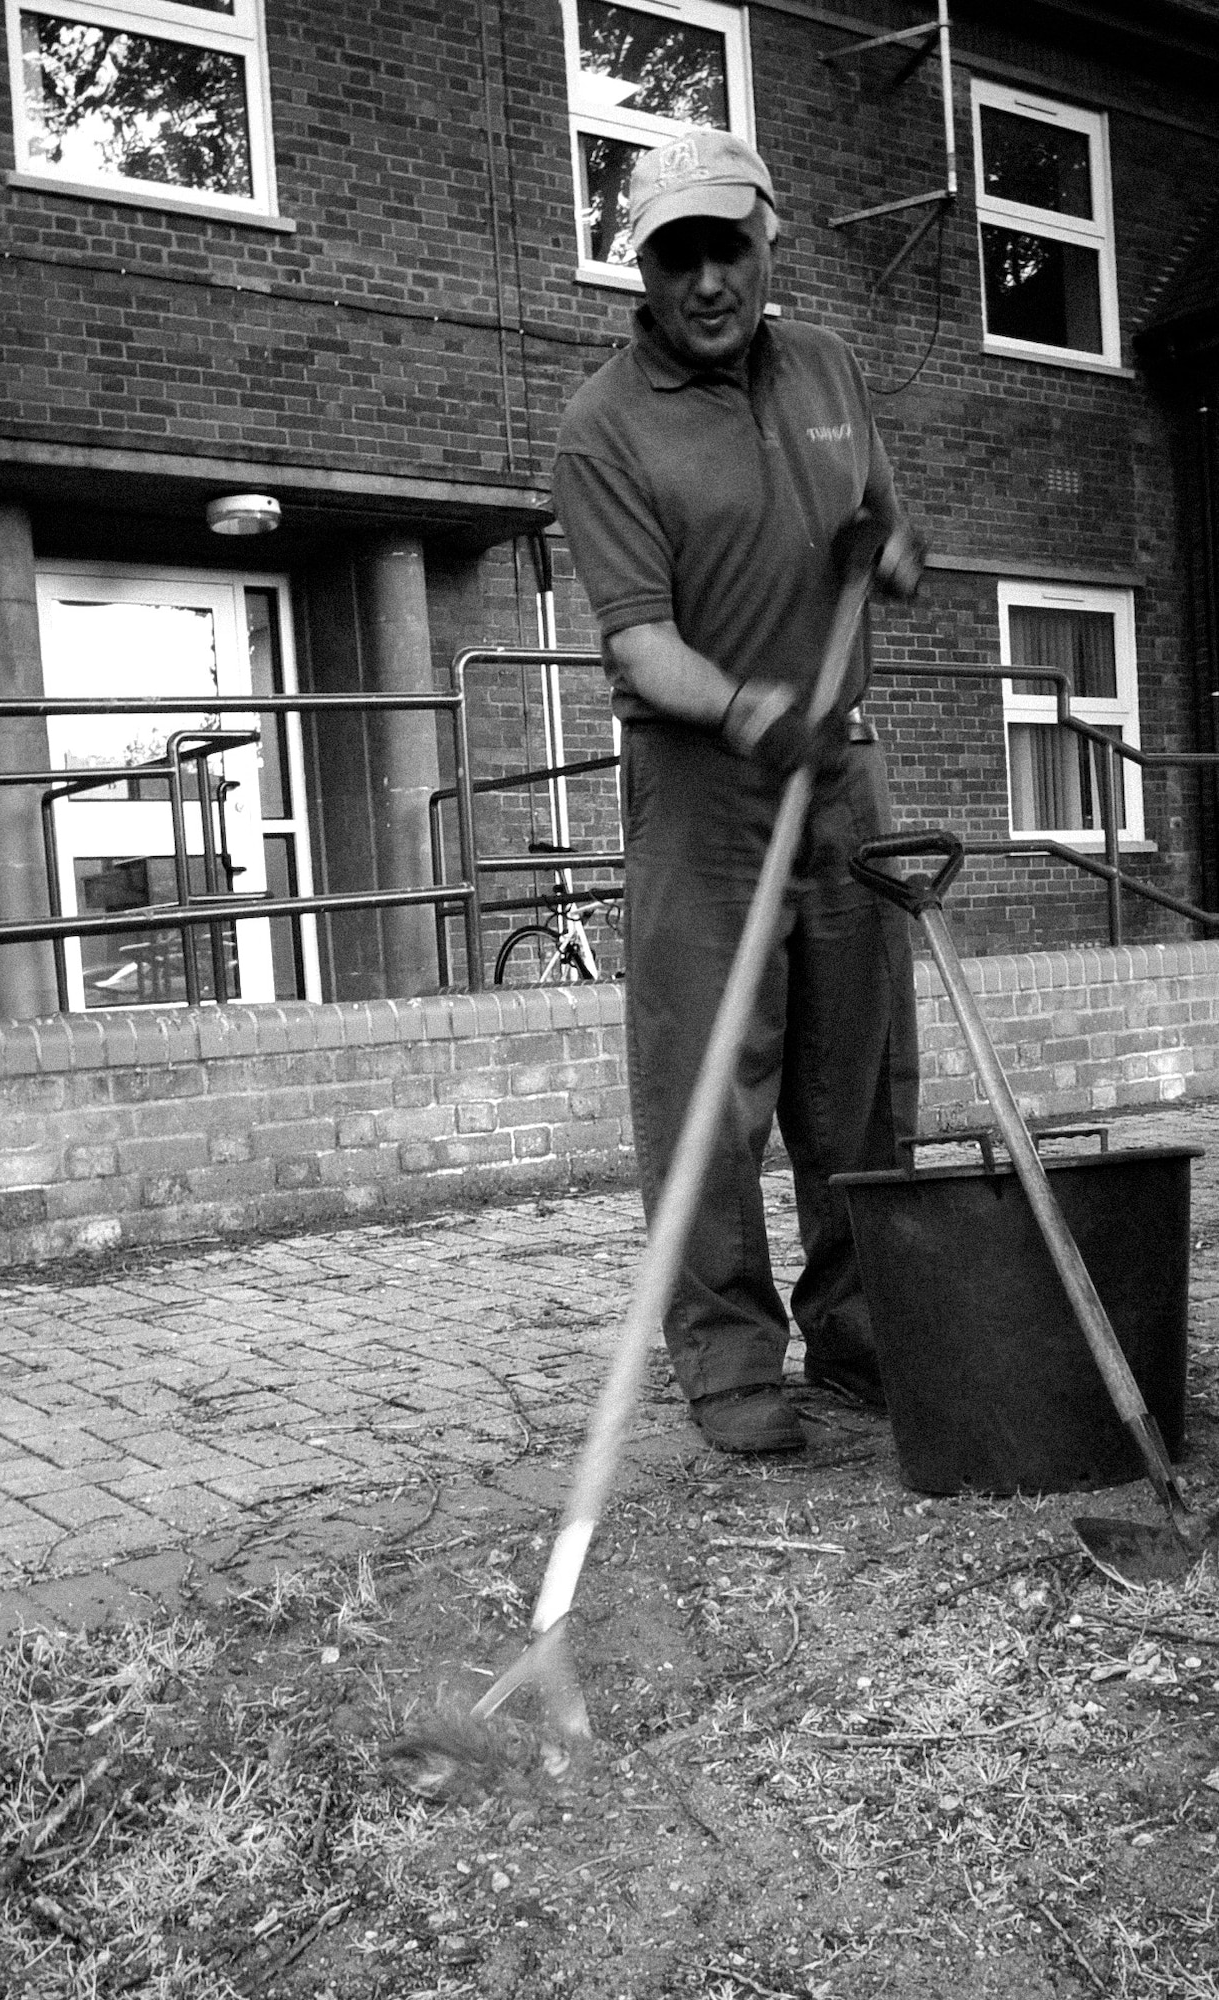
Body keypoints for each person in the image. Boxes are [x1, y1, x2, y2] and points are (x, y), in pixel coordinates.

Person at [552, 129, 923, 1456]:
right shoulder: (603, 425)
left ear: (768, 238)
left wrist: (890, 554)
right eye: (675, 257)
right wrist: (744, 706)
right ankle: (724, 1361)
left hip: (840, 765)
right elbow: (637, 643)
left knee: (860, 1075)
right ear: (639, 273)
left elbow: (887, 522)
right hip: (703, 780)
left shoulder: (827, 367)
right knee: (710, 1085)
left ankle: (864, 1331)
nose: (707, 282)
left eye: (727, 248)